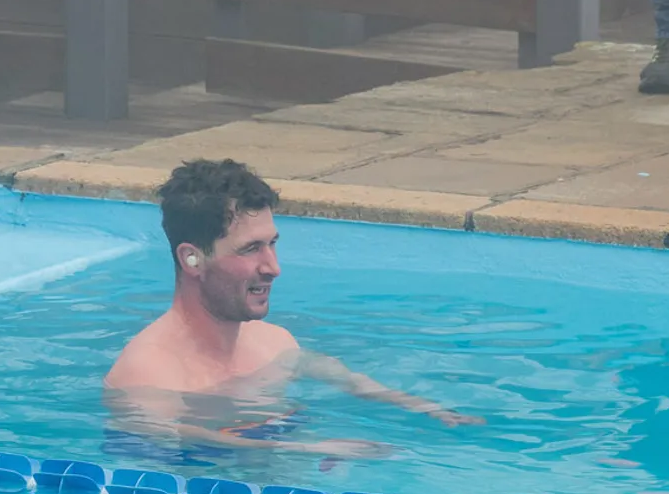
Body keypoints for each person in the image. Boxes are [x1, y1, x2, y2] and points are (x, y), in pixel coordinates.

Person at [105, 159, 478, 459]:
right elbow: (167, 438)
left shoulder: (275, 344)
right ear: (192, 258)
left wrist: (423, 407)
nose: (273, 267)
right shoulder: (148, 371)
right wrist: (306, 449)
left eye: (272, 244)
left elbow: (342, 377)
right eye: (251, 249)